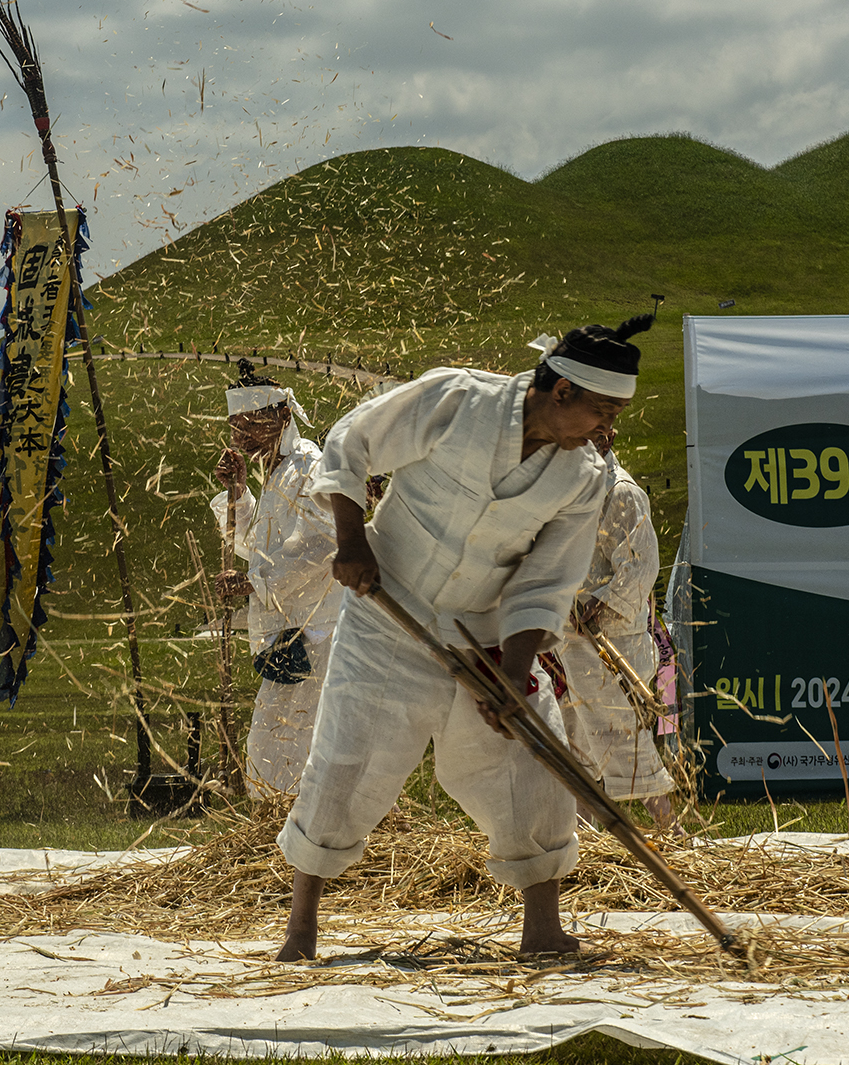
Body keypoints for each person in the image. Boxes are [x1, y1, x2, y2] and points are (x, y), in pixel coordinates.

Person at [276, 316, 651, 961]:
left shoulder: (583, 478)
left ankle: (542, 929)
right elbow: (352, 442)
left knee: (533, 758)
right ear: (561, 391)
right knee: (348, 759)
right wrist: (352, 539)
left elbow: (545, 580)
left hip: (487, 630)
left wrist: (514, 672)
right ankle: (302, 929)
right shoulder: (459, 400)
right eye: (602, 412)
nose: (605, 429)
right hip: (388, 607)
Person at [210, 361, 344, 794]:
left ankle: (287, 819)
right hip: (291, 630)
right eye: (235, 427)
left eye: (250, 424)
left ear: (282, 415)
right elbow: (255, 548)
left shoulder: (309, 466)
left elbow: (322, 541)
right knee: (289, 739)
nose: (240, 437)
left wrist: (256, 583)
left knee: (279, 741)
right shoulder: (277, 472)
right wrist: (238, 492)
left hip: (315, 630)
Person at [556, 421, 682, 836]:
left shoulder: (622, 492)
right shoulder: (571, 486)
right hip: (576, 640)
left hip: (614, 642)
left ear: (608, 438)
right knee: (578, 739)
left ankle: (670, 829)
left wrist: (599, 601)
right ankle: (582, 833)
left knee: (618, 735)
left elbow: (642, 565)